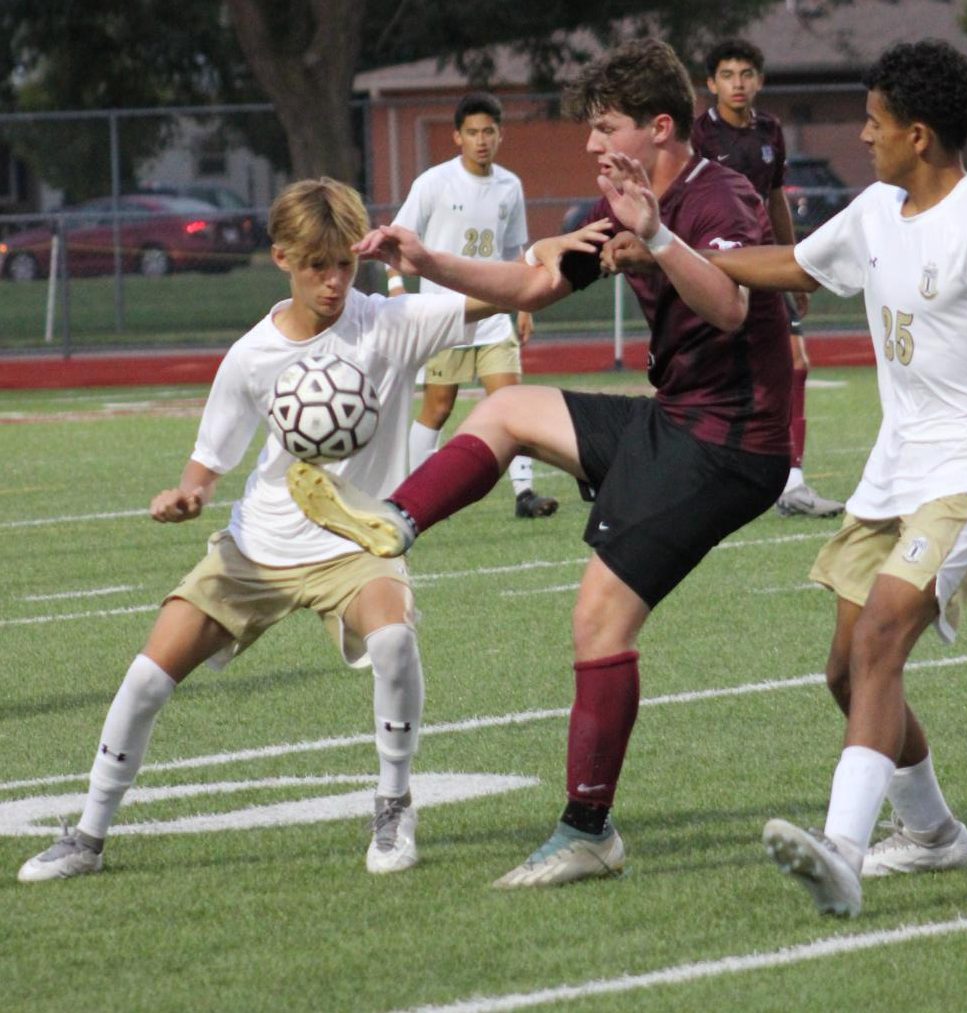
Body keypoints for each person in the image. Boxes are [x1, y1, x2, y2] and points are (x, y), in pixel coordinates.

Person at [286, 38, 793, 888]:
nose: (592, 146)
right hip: (677, 421)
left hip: (733, 443)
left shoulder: (714, 195)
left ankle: (587, 830)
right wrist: (427, 261)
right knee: (508, 407)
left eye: (605, 129)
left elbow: (734, 305)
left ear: (659, 128)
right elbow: (528, 285)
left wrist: (658, 236)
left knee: (598, 615)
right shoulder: (622, 202)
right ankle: (389, 526)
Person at [17, 177, 503, 883]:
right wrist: (186, 494)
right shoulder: (250, 356)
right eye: (317, 266)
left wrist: (591, 253)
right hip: (259, 545)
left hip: (353, 542)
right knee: (148, 675)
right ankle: (87, 835)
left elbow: (519, 289)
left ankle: (394, 803)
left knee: (394, 639)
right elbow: (207, 463)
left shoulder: (390, 322)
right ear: (282, 258)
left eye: (345, 264)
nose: (334, 281)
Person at [707, 40, 967, 917]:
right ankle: (930, 832)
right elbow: (796, 265)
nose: (862, 135)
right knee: (847, 674)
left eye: (874, 124)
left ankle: (841, 852)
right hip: (892, 470)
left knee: (882, 638)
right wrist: (670, 249)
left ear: (917, 135)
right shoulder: (878, 209)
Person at [692, 38, 844, 519]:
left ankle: (792, 484)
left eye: (747, 74)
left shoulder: (770, 131)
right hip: (714, 266)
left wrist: (794, 266)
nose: (738, 84)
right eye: (728, 75)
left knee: (796, 363)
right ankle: (693, 469)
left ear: (759, 80)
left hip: (762, 264)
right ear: (711, 83)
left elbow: (776, 198)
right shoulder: (698, 135)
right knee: (707, 372)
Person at [388, 91, 558, 520]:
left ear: (500, 136)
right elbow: (394, 238)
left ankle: (524, 494)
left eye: (489, 131)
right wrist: (395, 285)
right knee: (438, 407)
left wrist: (524, 306)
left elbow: (516, 250)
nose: (481, 140)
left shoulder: (509, 186)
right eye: (472, 132)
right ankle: (413, 498)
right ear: (456, 137)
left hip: (495, 316)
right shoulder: (433, 182)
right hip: (446, 318)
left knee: (514, 404)